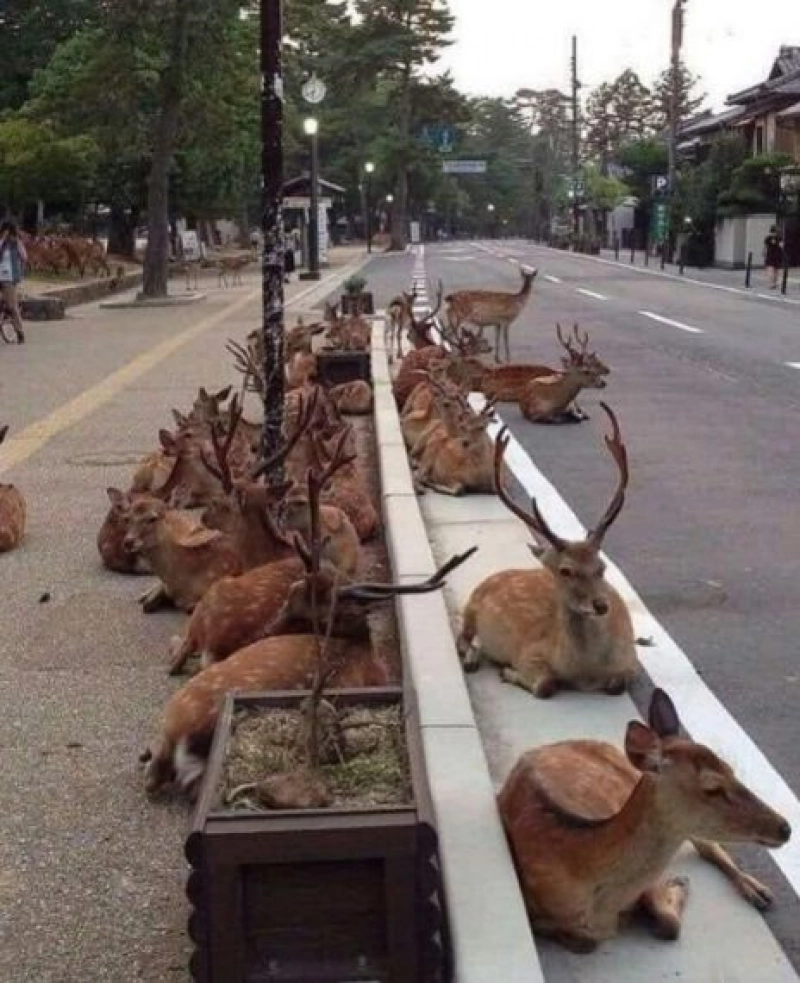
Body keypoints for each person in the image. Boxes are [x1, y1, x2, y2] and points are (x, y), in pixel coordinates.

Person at [0, 220, 27, 342]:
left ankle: (20, 332)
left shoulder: (16, 243)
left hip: (9, 277)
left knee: (12, 306)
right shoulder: (1, 243)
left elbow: (24, 257)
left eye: (7, 232)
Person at [764, 225, 785, 290]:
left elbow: (765, 247)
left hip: (770, 255)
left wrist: (764, 254)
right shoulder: (780, 238)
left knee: (770, 270)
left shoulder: (767, 238)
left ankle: (771, 284)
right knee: (776, 270)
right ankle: (775, 283)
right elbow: (782, 246)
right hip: (778, 255)